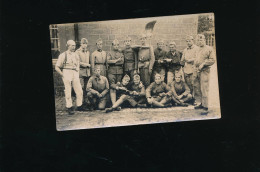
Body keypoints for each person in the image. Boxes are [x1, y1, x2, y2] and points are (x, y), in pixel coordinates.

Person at [55, 40, 83, 115]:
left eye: (74, 45)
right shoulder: (63, 55)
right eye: (72, 45)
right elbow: (57, 67)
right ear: (68, 46)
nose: (74, 47)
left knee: (79, 90)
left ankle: (79, 105)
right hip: (66, 72)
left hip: (74, 73)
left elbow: (78, 64)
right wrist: (62, 74)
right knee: (68, 90)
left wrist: (77, 71)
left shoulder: (76, 55)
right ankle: (69, 107)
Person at [193, 34, 215, 115]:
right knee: (197, 88)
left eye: (201, 40)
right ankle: (201, 104)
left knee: (204, 88)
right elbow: (196, 59)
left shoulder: (209, 49)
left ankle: (205, 107)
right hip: (197, 71)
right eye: (198, 40)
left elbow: (212, 60)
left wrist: (204, 64)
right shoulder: (197, 49)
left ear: (204, 40)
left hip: (204, 71)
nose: (199, 41)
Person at [107, 39, 125, 105]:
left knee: (118, 86)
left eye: (117, 45)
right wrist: (117, 60)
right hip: (111, 72)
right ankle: (113, 103)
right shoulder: (109, 53)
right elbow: (108, 61)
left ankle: (118, 103)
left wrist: (113, 61)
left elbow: (122, 62)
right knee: (112, 86)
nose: (116, 46)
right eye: (115, 45)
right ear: (112, 45)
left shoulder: (121, 53)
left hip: (119, 72)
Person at [76, 38, 91, 105]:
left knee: (86, 88)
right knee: (81, 88)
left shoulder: (87, 52)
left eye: (86, 44)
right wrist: (86, 65)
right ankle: (80, 103)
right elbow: (78, 62)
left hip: (87, 73)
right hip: (81, 73)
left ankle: (85, 102)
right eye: (83, 43)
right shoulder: (77, 52)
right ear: (81, 44)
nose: (85, 45)